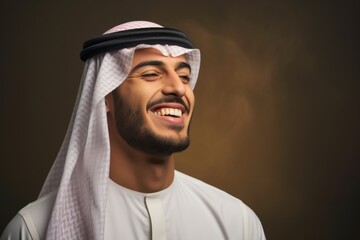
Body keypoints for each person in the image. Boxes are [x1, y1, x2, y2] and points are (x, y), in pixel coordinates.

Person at [1, 21, 266, 240]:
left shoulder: (238, 224)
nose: (179, 88)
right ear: (104, 96)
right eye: (151, 74)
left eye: (184, 77)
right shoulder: (32, 230)